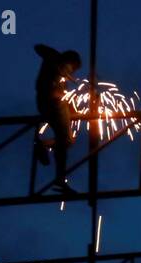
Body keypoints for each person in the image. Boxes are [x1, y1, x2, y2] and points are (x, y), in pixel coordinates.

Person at [33, 44, 82, 192]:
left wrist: (76, 109)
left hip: (54, 104)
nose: (71, 72)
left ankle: (44, 146)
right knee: (65, 140)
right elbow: (38, 47)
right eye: (72, 68)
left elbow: (66, 96)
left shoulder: (62, 79)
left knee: (67, 140)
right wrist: (56, 57)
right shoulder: (53, 62)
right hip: (51, 103)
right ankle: (60, 179)